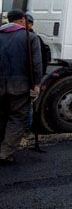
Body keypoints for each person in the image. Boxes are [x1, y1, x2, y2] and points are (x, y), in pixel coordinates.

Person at [0, 10, 43, 164]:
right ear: (22, 20)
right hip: (20, 85)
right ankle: (5, 153)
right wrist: (37, 84)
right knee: (17, 118)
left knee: (2, 116)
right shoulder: (29, 37)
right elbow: (36, 64)